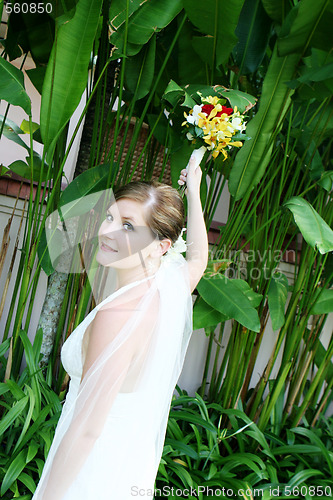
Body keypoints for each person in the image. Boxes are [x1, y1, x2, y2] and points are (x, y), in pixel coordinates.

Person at [32, 151, 208, 499]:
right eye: (110, 216)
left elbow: (87, 428)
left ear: (161, 247)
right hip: (126, 466)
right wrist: (195, 193)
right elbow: (198, 260)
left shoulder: (117, 316)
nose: (108, 231)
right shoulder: (165, 290)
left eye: (128, 226)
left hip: (88, 474)